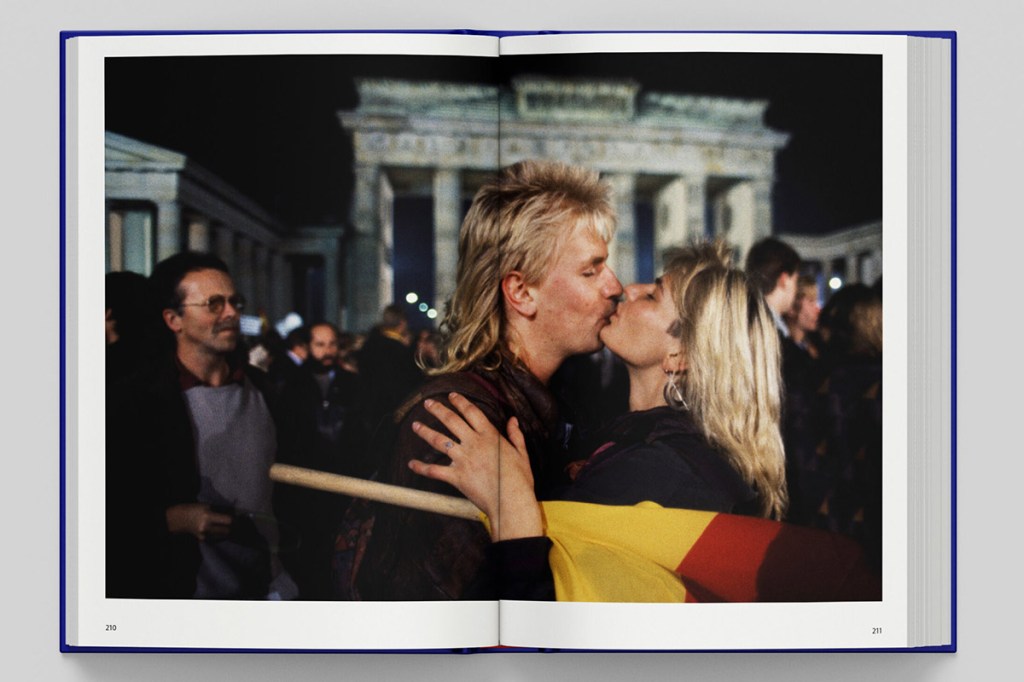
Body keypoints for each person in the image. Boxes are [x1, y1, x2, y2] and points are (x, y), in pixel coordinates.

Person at [408, 241, 788, 598]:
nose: (627, 289)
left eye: (653, 295)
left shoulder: (662, 473)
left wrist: (513, 506)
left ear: (679, 356)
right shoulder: (653, 448)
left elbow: (565, 621)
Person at [351, 159, 623, 600]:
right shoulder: (455, 423)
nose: (615, 286)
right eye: (590, 271)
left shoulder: (556, 401)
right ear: (521, 292)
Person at [106, 251, 296, 600]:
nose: (231, 313)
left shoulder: (267, 394)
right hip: (179, 600)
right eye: (214, 304)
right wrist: (172, 520)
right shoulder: (134, 402)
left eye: (235, 302)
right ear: (173, 319)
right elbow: (101, 511)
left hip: (266, 594)